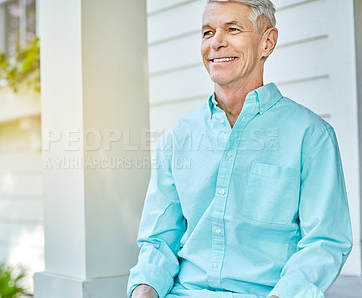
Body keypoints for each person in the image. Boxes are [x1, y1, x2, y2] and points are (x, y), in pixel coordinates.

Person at [128, 0, 353, 297]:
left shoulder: (311, 135)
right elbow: (159, 240)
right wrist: (144, 291)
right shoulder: (178, 137)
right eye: (207, 32)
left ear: (267, 42)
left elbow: (324, 242)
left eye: (232, 29)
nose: (217, 43)